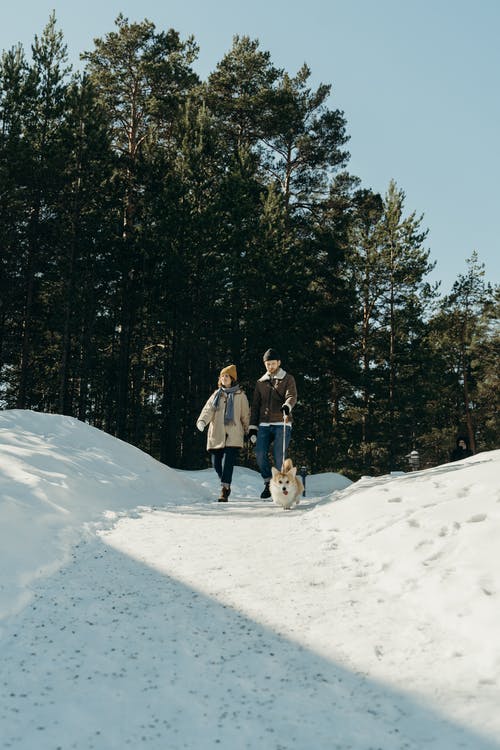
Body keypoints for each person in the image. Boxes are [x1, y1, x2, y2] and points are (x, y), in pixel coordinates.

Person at [248, 348, 297, 499]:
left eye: (273, 363)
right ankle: (269, 482)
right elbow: (255, 406)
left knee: (278, 455)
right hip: (264, 423)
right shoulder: (260, 382)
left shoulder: (287, 378)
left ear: (279, 363)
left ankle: (284, 487)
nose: (270, 366)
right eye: (267, 364)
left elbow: (292, 396)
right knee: (260, 453)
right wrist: (252, 428)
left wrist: (287, 406)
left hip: (282, 422)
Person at [196, 364, 250, 502]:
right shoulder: (216, 395)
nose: (224, 378)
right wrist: (202, 421)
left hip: (234, 434)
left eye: (227, 376)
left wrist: (249, 430)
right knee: (216, 463)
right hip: (217, 433)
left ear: (232, 378)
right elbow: (208, 409)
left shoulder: (241, 395)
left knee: (228, 462)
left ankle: (225, 489)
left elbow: (245, 415)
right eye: (222, 376)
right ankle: (225, 482)